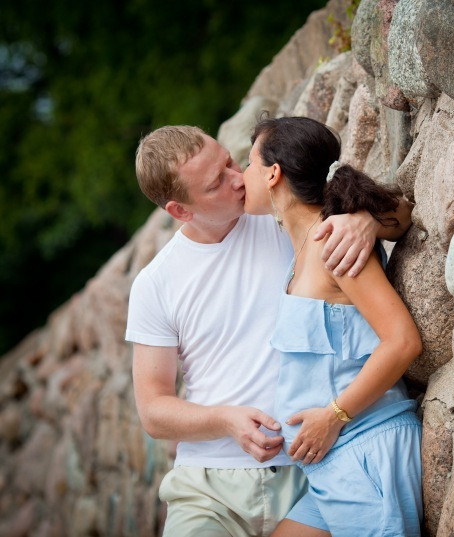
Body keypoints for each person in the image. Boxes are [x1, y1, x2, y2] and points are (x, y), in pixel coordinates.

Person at [126, 124, 413, 536]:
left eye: (229, 161)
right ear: (181, 210)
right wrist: (226, 421)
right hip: (211, 486)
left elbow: (398, 212)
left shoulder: (281, 216)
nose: (237, 179)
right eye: (216, 183)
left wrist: (366, 221)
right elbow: (153, 410)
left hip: (312, 466)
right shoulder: (155, 284)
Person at [242, 115, 423, 537]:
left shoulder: (331, 246)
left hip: (362, 448)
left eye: (248, 164)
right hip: (330, 462)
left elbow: (402, 341)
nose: (241, 175)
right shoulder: (307, 249)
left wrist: (334, 416)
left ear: (273, 174)